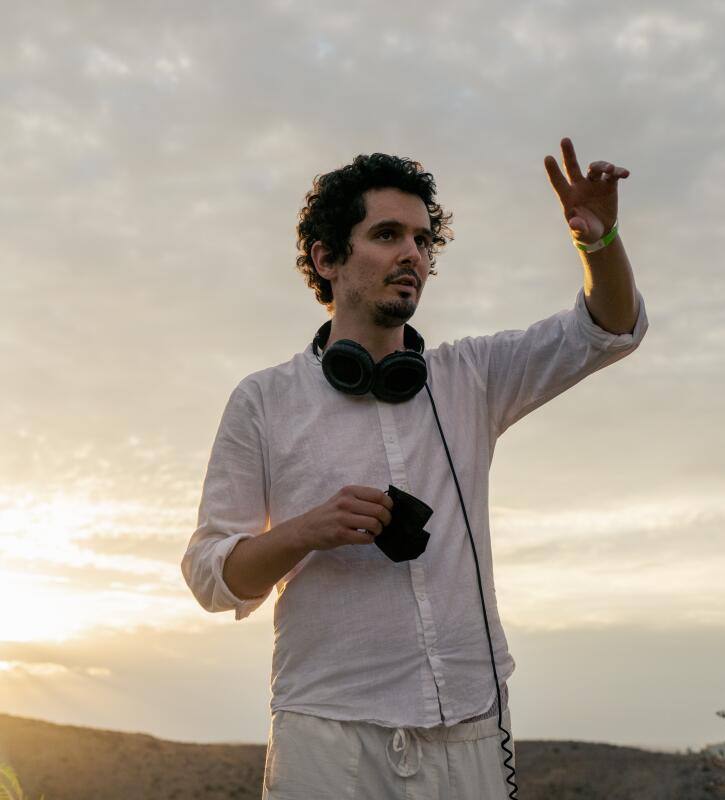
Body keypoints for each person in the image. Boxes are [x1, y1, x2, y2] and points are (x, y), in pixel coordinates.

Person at [181, 138, 647, 799]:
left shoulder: (474, 377)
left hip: (472, 730)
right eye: (387, 234)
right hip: (329, 740)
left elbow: (607, 329)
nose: (413, 255)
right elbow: (210, 576)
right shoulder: (263, 402)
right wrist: (306, 530)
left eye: (424, 241)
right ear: (327, 259)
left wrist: (600, 245)